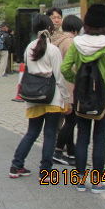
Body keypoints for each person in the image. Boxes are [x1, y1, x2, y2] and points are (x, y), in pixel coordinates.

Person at [61, 5, 105, 193]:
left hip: (81, 95)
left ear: (86, 23)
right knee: (100, 138)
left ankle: (80, 180)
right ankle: (98, 182)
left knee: (82, 136)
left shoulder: (77, 44)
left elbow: (65, 69)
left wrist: (77, 81)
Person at [9, 15, 70, 178]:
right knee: (50, 134)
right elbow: (59, 77)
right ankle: (45, 170)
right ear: (50, 29)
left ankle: (16, 165)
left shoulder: (29, 47)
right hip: (52, 97)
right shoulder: (53, 50)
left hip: (33, 96)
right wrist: (67, 99)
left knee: (32, 132)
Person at [52, 15, 83, 166]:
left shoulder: (57, 40)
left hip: (57, 85)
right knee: (71, 120)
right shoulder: (70, 42)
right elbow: (72, 67)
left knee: (69, 121)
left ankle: (71, 153)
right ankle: (58, 150)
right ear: (76, 29)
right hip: (69, 86)